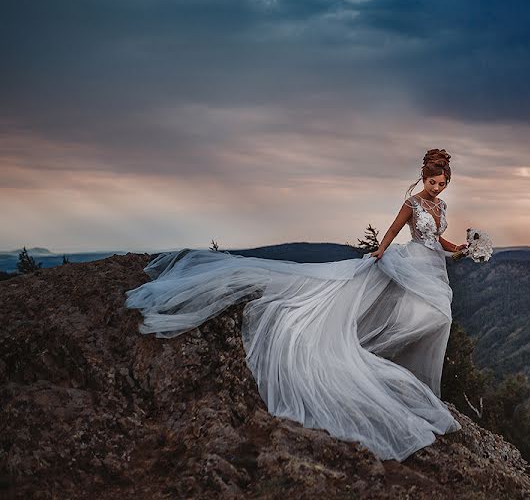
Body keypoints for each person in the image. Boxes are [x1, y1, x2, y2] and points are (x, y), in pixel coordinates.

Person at [124, 148, 469, 461]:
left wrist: (460, 249)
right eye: (432, 182)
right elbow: (394, 230)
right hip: (409, 264)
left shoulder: (441, 206)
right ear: (422, 178)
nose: (437, 188)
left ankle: (390, 359)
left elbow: (436, 238)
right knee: (414, 314)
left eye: (442, 184)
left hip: (432, 269)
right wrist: (379, 251)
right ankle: (369, 354)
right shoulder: (412, 204)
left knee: (432, 318)